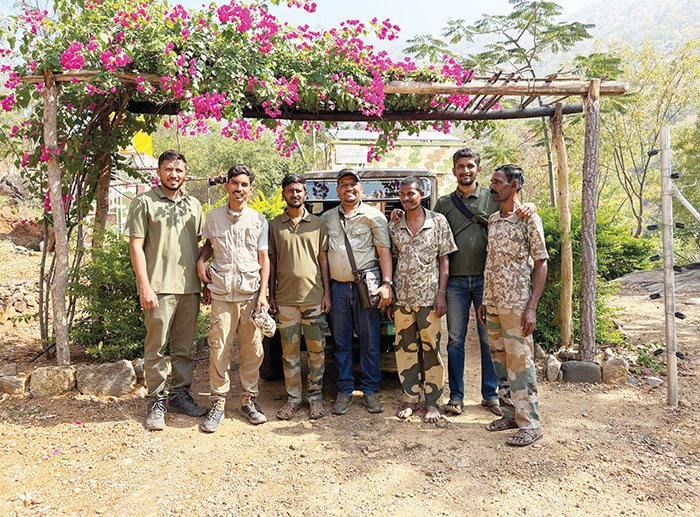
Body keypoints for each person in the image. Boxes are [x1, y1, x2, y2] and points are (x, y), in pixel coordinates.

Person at [432, 148, 534, 417]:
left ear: (478, 169)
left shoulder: (493, 197)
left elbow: (516, 210)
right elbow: (430, 230)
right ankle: (456, 396)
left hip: (488, 282)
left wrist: (531, 206)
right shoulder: (443, 204)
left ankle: (491, 395)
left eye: (470, 166)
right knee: (455, 340)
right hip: (454, 282)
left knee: (490, 340)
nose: (465, 171)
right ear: (454, 170)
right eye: (460, 166)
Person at [125, 150, 208, 431]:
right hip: (158, 287)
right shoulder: (145, 202)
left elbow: (199, 244)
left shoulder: (193, 205)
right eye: (169, 169)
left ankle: (180, 396)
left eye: (179, 170)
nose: (174, 174)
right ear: (159, 172)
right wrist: (144, 285)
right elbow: (136, 245)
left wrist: (204, 279)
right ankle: (156, 401)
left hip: (189, 288)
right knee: (156, 348)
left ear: (185, 173)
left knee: (185, 348)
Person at [477, 164, 548, 447]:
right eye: (492, 181)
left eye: (498, 182)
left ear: (514, 186)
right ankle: (509, 414)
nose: (492, 186)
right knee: (500, 360)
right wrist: (485, 300)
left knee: (520, 363)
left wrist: (531, 308)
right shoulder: (494, 220)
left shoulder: (529, 219)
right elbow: (491, 262)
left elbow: (541, 263)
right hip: (494, 302)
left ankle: (530, 423)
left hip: (516, 305)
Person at [197, 164, 270, 433]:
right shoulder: (212, 217)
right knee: (219, 349)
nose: (239, 189)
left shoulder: (259, 220)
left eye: (244, 185)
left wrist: (263, 294)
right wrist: (201, 261)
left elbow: (264, 259)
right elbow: (209, 245)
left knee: (253, 350)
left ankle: (249, 400)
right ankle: (218, 403)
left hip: (250, 295)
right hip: (222, 295)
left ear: (250, 189)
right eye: (235, 183)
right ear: (227, 185)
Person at [322, 168, 393, 415]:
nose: (349, 188)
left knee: (370, 341)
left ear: (361, 189)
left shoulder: (374, 216)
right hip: (338, 288)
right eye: (344, 184)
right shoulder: (327, 218)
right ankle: (344, 390)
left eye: (353, 184)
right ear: (337, 190)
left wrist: (387, 284)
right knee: (341, 342)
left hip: (366, 287)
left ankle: (371, 391)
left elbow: (384, 252)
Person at [388, 177, 457, 423]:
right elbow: (393, 260)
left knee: (431, 351)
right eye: (403, 194)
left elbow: (444, 260)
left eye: (411, 193)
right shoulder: (394, 225)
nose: (406, 198)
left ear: (422, 193)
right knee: (405, 350)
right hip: (403, 300)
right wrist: (392, 296)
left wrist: (441, 294)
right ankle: (410, 398)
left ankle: (433, 402)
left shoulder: (438, 222)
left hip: (429, 299)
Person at [268, 173, 331, 420]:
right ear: (284, 194)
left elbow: (323, 260)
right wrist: (270, 295)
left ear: (306, 194)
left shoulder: (317, 224)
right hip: (285, 301)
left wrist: (327, 294)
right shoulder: (274, 225)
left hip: (314, 298)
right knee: (289, 354)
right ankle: (293, 399)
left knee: (317, 352)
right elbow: (271, 262)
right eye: (290, 190)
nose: (295, 194)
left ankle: (315, 398)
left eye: (299, 190)